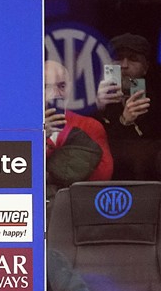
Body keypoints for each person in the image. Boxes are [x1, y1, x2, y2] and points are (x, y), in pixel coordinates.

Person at [94, 33, 161, 180]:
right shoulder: (95, 99)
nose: (124, 65)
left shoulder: (156, 100)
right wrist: (97, 107)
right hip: (106, 176)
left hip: (148, 177)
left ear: (145, 67)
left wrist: (127, 121)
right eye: (118, 58)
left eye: (133, 59)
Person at [44, 60, 113, 197]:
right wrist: (41, 136)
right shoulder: (22, 127)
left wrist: (49, 175)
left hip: (78, 202)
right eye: (46, 87)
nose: (56, 93)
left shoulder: (90, 125)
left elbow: (103, 176)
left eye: (62, 86)